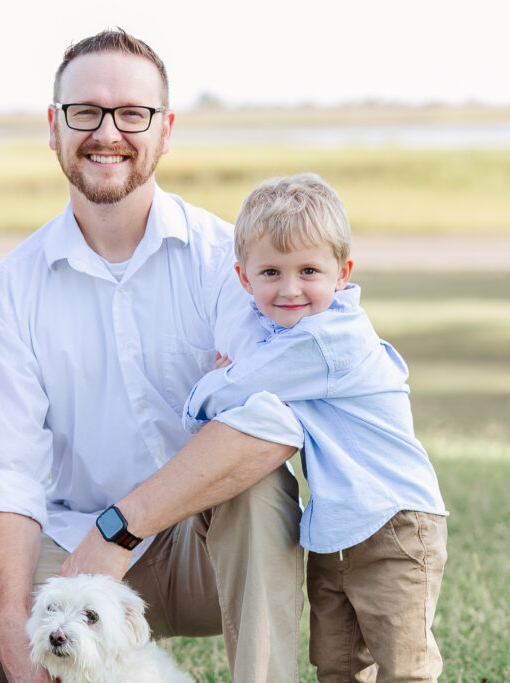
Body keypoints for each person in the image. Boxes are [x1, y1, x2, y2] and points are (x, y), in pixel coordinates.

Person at [0, 29, 306, 683]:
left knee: (262, 489)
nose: (107, 133)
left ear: (166, 128)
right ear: (55, 126)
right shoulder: (10, 288)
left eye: (132, 114)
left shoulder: (223, 259)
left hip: (198, 544)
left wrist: (121, 529)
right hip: (71, 545)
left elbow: (274, 420)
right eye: (85, 112)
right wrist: (18, 655)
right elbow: (7, 477)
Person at [183, 173, 448, 682]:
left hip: (395, 524)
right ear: (243, 279)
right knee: (337, 664)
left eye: (309, 270)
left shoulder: (328, 339)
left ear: (342, 273)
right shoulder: (289, 332)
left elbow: (230, 391)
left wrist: (210, 385)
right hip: (335, 531)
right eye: (270, 272)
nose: (289, 289)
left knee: (404, 666)